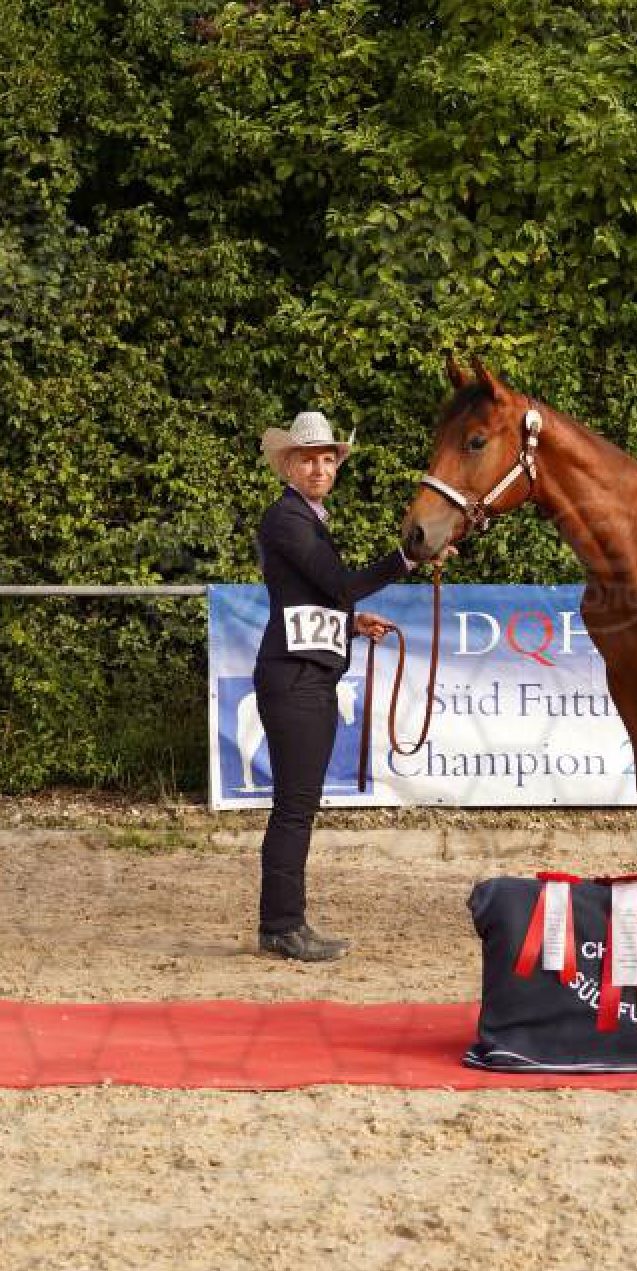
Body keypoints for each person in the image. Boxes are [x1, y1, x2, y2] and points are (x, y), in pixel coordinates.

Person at [251, 410, 418, 962]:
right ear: (288, 467)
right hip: (295, 678)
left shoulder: (303, 518)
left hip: (307, 674)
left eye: (327, 459)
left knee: (297, 805)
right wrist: (405, 558)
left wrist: (350, 624)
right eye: (308, 460)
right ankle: (281, 926)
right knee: (294, 807)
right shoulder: (288, 519)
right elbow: (339, 583)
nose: (319, 469)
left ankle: (285, 923)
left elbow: (311, 600)